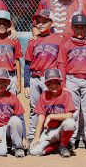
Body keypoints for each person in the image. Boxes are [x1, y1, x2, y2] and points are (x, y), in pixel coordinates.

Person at [58, 14, 86, 152]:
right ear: (72, 28)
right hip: (71, 79)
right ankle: (72, 139)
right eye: (76, 27)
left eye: (82, 27)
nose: (79, 30)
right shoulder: (66, 45)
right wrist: (63, 85)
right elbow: (61, 65)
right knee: (73, 111)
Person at [24, 9, 64, 141]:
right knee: (34, 108)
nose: (40, 24)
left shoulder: (58, 40)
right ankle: (31, 135)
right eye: (38, 22)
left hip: (50, 80)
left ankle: (49, 135)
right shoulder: (32, 41)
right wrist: (26, 84)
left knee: (52, 107)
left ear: (52, 23)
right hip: (35, 78)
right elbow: (27, 63)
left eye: (44, 21)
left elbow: (61, 62)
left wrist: (61, 82)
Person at [29, 68, 76, 157]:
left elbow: (69, 115)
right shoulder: (44, 96)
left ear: (61, 83)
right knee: (34, 152)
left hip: (61, 129)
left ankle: (63, 145)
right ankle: (55, 147)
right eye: (50, 82)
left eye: (56, 82)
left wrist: (51, 116)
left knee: (70, 123)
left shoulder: (66, 94)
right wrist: (36, 137)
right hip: (48, 131)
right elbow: (41, 117)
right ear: (46, 84)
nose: (54, 85)